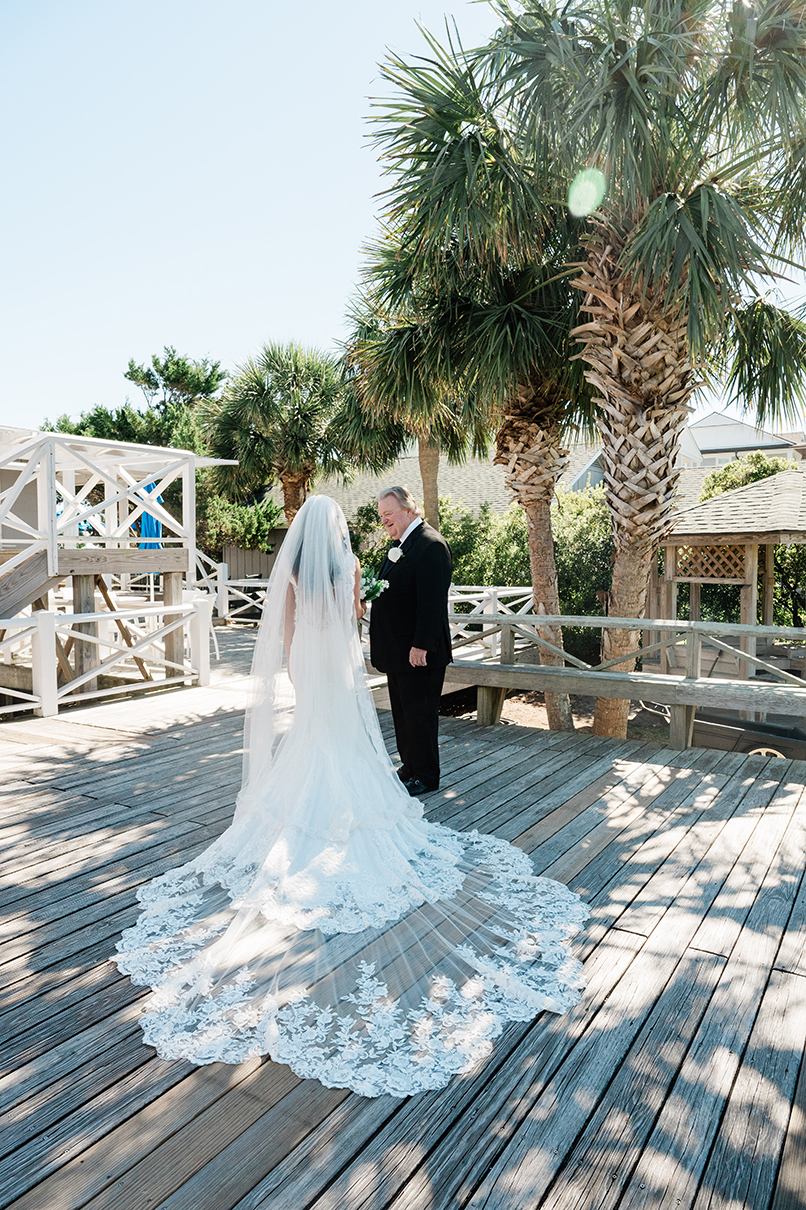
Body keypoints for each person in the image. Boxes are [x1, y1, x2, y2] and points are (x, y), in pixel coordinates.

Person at [114, 495, 587, 1099]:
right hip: (338, 660)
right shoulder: (353, 565)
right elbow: (356, 617)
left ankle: (313, 802)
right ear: (336, 531)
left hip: (309, 659)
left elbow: (284, 627)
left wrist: (291, 658)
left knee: (310, 734)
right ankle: (353, 798)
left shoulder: (291, 572)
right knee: (341, 737)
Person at [369, 487, 452, 796]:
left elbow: (432, 603)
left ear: (409, 510)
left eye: (388, 514)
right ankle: (410, 767)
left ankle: (427, 776)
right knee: (404, 715)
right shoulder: (402, 544)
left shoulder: (430, 545)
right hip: (397, 651)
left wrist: (422, 645)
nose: (384, 521)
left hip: (419, 652)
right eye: (382, 516)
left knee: (420, 716)